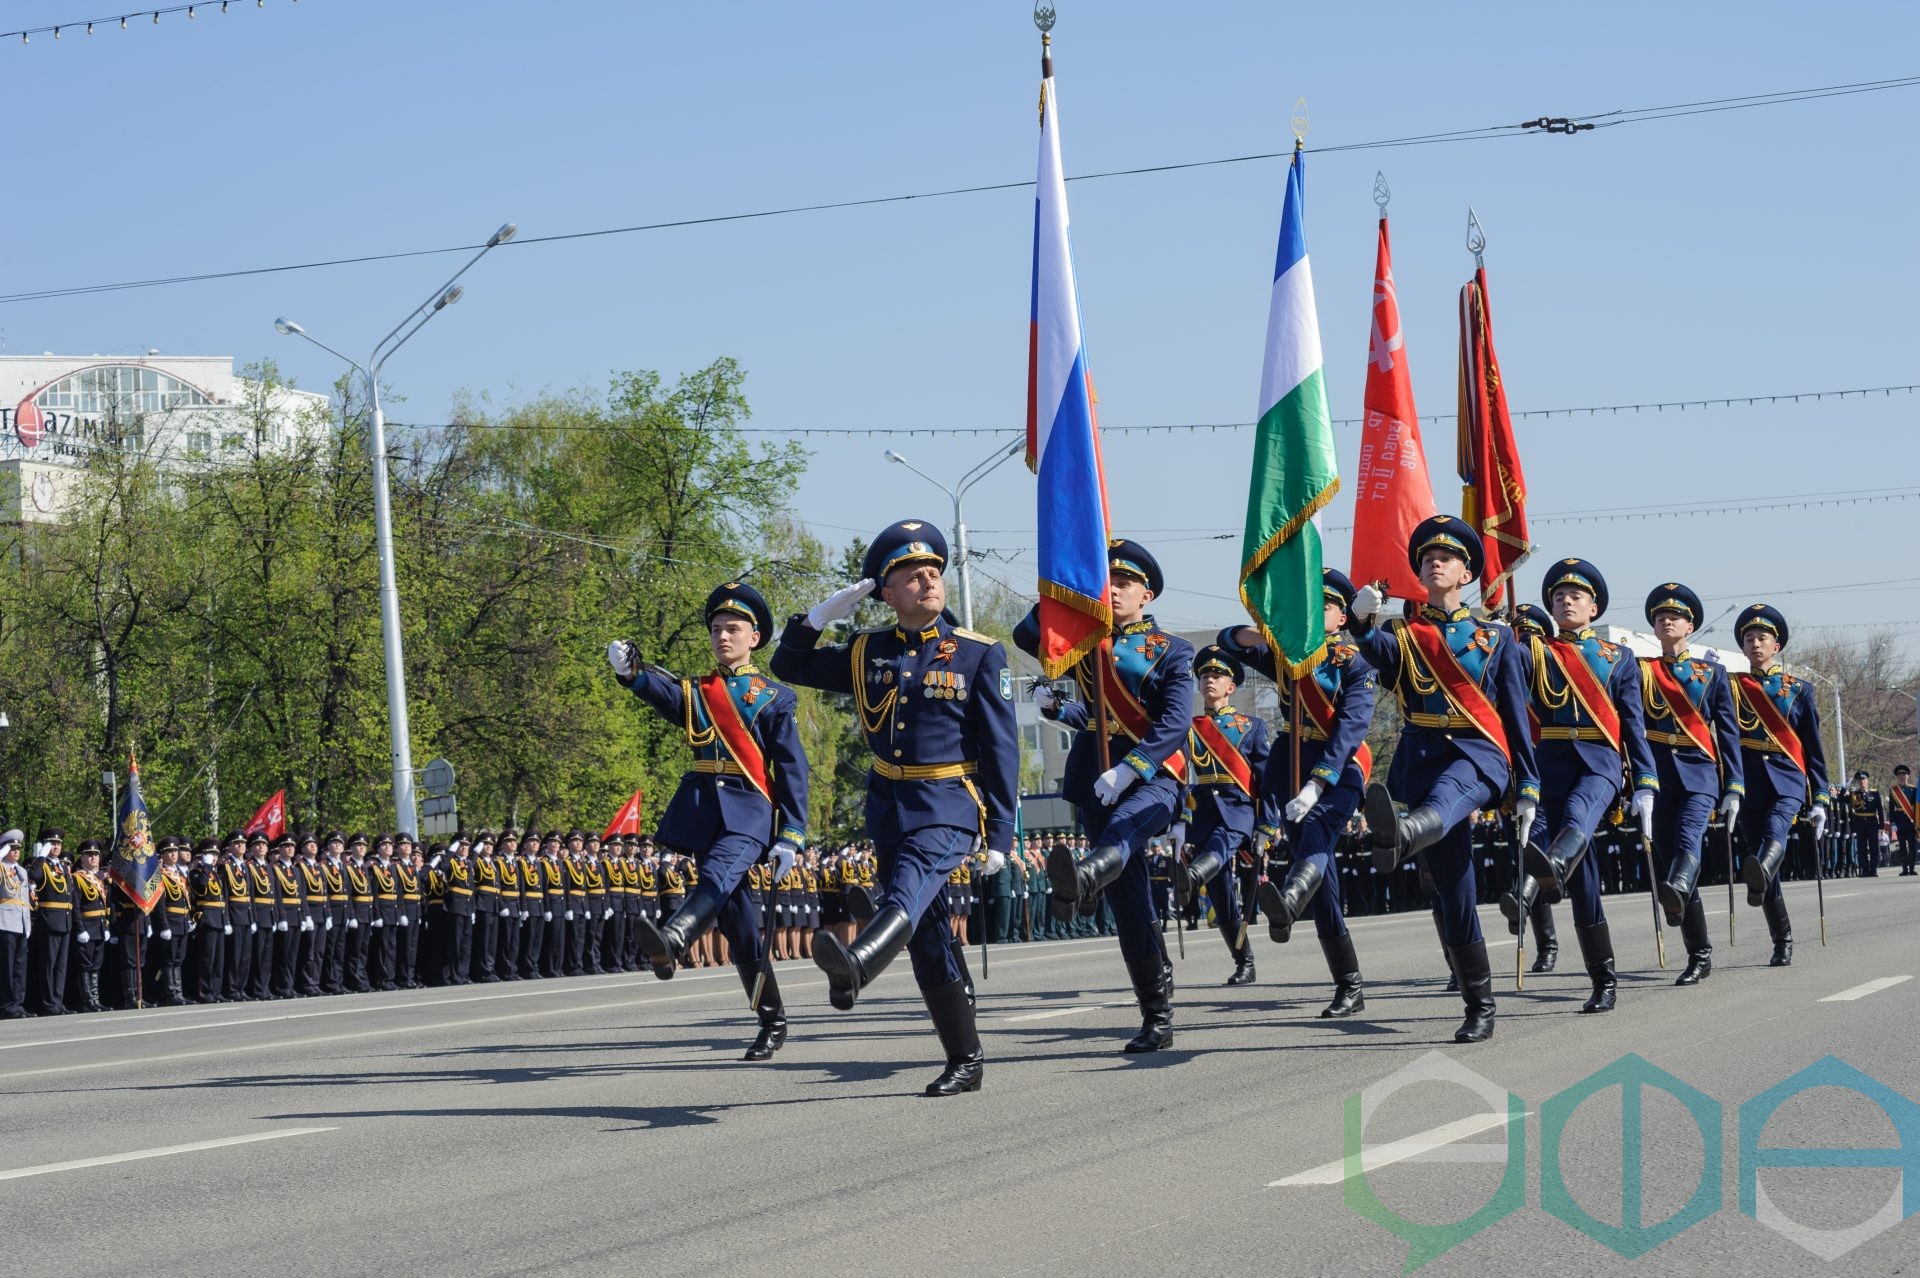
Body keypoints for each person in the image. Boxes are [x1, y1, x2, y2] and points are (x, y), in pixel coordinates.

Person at [773, 519, 1016, 1095]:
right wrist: (815, 620)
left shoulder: (979, 654)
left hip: (949, 804)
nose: (928, 580)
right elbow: (788, 667)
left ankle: (857, 966)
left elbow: (1002, 748)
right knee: (928, 935)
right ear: (886, 592)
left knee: (906, 891)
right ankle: (967, 1058)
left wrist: (1002, 836)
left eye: (934, 572)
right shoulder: (866, 652)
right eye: (912, 574)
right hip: (889, 807)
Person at [1348, 516, 1539, 1043]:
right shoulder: (1407, 634)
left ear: (1467, 572)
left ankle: (1403, 833)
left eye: (1448, 557)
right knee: (1455, 895)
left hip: (1480, 755)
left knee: (1445, 798)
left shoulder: (1496, 638)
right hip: (1425, 755)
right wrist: (1361, 623)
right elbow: (1379, 657)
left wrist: (1528, 786)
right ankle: (1479, 1003)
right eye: (1428, 557)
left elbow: (1515, 715)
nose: (1436, 562)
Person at [611, 580, 810, 1062]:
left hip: (751, 811)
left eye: (733, 629)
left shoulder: (774, 697)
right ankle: (772, 1019)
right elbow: (662, 693)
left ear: (755, 637)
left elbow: (791, 768)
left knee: (717, 873)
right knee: (740, 923)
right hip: (705, 812)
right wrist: (632, 672)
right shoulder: (699, 691)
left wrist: (792, 833)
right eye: (717, 629)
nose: (723, 636)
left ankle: (676, 935)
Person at [1018, 537, 1192, 1053]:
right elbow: (1027, 633)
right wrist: (1066, 583)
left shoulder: (1172, 651)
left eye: (1124, 583)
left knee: (1119, 837)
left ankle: (1087, 874)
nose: (1113, 591)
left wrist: (1133, 767)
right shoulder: (1082, 640)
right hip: (1096, 777)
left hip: (1153, 775)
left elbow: (1176, 720)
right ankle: (1155, 1013)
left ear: (1147, 595)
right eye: (1107, 581)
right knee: (1131, 905)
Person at [1498, 559, 1658, 1015]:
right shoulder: (1537, 650)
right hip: (1552, 764)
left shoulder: (1618, 658)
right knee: (1583, 884)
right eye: (1557, 597)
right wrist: (1497, 636)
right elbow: (1506, 675)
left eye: (1574, 596)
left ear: (1593, 607)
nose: (1564, 601)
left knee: (1577, 818)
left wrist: (1645, 781)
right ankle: (1603, 978)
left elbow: (1633, 724)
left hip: (1600, 763)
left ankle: (1538, 880)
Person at [1220, 568, 1377, 1019]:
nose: (1314, 614)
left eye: (1323, 607)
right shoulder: (1289, 656)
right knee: (1323, 883)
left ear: (1342, 617)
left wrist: (1318, 782)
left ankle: (1288, 900)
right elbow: (1228, 642)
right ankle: (1349, 985)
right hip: (1291, 763)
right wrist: (1267, 630)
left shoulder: (1354, 661)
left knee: (1318, 837)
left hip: (1341, 766)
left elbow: (1351, 726)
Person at [1635, 583, 1744, 987]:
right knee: (1670, 866)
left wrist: (1734, 786)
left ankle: (1694, 939)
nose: (1667, 620)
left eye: (1675, 616)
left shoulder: (1712, 674)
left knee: (1687, 845)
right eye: (1660, 616)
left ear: (1690, 626)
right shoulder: (1641, 669)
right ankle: (1699, 952)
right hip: (1658, 779)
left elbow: (1729, 734)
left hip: (1700, 776)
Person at [1731, 604, 1831, 966]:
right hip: (1749, 782)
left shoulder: (1799, 689)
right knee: (1762, 867)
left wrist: (1820, 796)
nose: (1755, 644)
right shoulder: (1731, 686)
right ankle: (1782, 939)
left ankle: (1760, 871)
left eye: (1762, 638)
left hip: (1788, 778)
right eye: (1748, 639)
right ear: (1743, 648)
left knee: (1773, 838)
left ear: (1776, 647)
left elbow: (1814, 747)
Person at [1166, 644, 1271, 987]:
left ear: (1231, 687)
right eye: (1205, 676)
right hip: (1204, 811)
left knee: (1220, 846)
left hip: (1238, 810)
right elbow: (1181, 776)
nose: (1209, 680)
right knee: (1222, 894)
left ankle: (1190, 878)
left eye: (1217, 675)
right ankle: (1246, 961)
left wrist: (1267, 824)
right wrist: (1179, 821)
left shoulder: (1251, 726)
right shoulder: (1188, 727)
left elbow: (1264, 779)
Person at [25, 828, 73, 1015]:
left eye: (59, 843)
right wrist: (40, 857)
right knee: (49, 964)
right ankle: (48, 1002)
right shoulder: (43, 865)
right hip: (50, 920)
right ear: (46, 846)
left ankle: (58, 1001)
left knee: (61, 966)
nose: (56, 846)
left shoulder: (62, 867)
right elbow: (33, 876)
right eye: (52, 843)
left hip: (65, 920)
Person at [187, 838, 228, 1004]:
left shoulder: (216, 874)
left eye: (216, 854)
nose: (214, 858)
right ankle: (205, 992)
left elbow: (221, 897)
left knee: (218, 960)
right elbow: (201, 887)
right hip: (207, 919)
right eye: (211, 854)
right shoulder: (196, 873)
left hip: (218, 918)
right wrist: (206, 867)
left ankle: (216, 991)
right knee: (207, 960)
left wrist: (225, 919)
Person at [0, 831, 31, 1019]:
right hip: (5, 922)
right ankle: (7, 1004)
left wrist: (27, 925)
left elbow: (25, 899)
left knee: (20, 967)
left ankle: (18, 1004)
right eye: (12, 848)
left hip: (20, 922)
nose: (16, 851)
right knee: (7, 966)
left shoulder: (22, 871)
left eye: (18, 848)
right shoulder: (1, 867)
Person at [1844, 770, 1884, 878]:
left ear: (1867, 780)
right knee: (1861, 848)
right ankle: (1865, 869)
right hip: (1859, 823)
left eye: (1864, 779)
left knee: (1874, 848)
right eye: (1860, 780)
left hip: (1872, 822)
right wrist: (1845, 788)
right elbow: (1841, 799)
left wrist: (1881, 826)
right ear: (1857, 782)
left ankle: (1874, 869)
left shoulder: (1874, 793)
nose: (1862, 782)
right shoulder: (1854, 794)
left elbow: (1880, 810)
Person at [1891, 765, 1917, 875]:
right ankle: (1904, 869)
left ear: (1907, 776)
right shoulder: (1894, 791)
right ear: (1897, 777)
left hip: (1911, 820)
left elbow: (1917, 807)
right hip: (1899, 820)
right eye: (1900, 775)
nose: (1902, 777)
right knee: (1902, 845)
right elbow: (1891, 808)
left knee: (1912, 845)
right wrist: (1892, 822)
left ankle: (1911, 868)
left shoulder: (1914, 789)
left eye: (1904, 775)